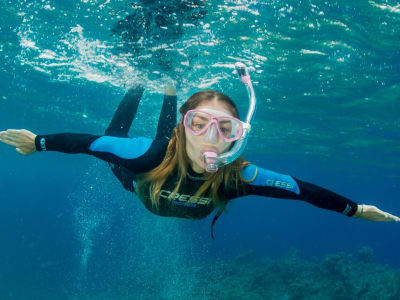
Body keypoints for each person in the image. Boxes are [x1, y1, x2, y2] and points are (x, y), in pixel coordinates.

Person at [1, 72, 399, 239]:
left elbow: (301, 189)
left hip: (164, 173)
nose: (212, 137)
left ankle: (170, 91)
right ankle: (141, 83)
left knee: (159, 144)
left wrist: (355, 209)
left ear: (237, 137)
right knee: (117, 140)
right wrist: (38, 142)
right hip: (140, 181)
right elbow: (89, 143)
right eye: (199, 124)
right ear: (186, 124)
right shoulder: (146, 155)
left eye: (226, 128)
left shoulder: (236, 176)